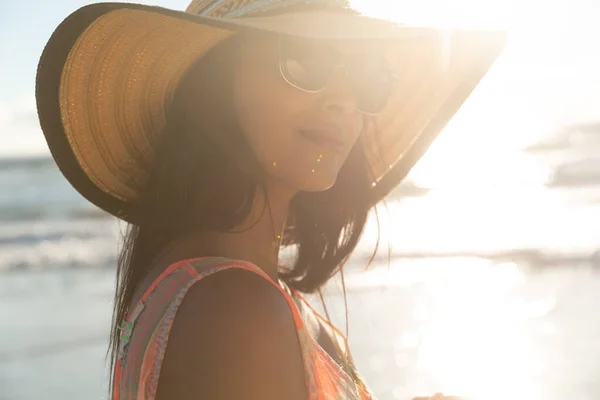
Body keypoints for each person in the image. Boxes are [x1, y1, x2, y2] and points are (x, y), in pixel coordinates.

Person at [35, 0, 505, 399]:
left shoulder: (224, 292)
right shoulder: (236, 310)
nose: (344, 99)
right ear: (215, 85)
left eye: (366, 76)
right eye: (304, 61)